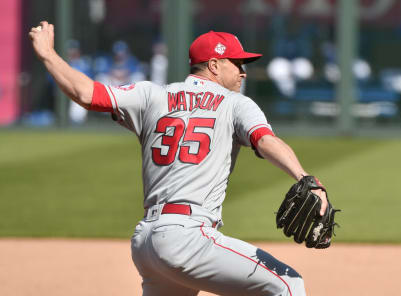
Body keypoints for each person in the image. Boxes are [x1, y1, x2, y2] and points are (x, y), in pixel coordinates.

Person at [30, 21, 329, 296]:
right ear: (214, 65)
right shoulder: (237, 104)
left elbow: (86, 93)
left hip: (147, 242)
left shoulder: (151, 95)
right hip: (187, 237)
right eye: (236, 63)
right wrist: (305, 177)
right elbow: (265, 140)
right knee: (288, 284)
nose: (243, 71)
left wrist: (47, 54)